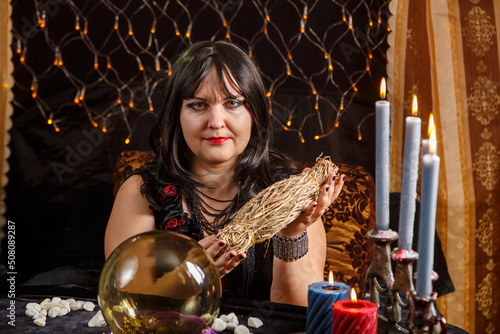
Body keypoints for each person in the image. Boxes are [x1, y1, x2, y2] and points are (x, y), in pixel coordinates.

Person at [104, 40, 345, 306]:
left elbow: (296, 315)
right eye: (197, 105)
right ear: (176, 115)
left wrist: (292, 233)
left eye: (232, 103)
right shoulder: (142, 192)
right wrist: (189, 281)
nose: (216, 122)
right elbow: (124, 305)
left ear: (254, 112)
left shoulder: (290, 193)